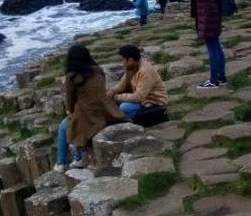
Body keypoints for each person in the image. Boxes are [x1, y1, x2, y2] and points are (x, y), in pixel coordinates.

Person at [54, 44, 125, 172]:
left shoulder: (72, 78)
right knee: (74, 121)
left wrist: (70, 111)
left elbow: (70, 102)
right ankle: (77, 157)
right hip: (106, 111)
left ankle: (62, 162)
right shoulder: (98, 71)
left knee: (64, 126)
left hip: (88, 115)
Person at [180, 0, 231, 89]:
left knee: (212, 47)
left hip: (210, 13)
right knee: (215, 45)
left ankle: (214, 80)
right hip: (205, 12)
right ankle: (221, 77)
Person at [109, 44, 169, 121]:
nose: (122, 63)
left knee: (124, 107)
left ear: (130, 60)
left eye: (123, 59)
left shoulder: (145, 71)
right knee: (115, 102)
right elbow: (122, 84)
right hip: (143, 99)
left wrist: (116, 97)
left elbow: (139, 96)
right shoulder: (131, 67)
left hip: (154, 102)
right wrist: (112, 91)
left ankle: (132, 121)